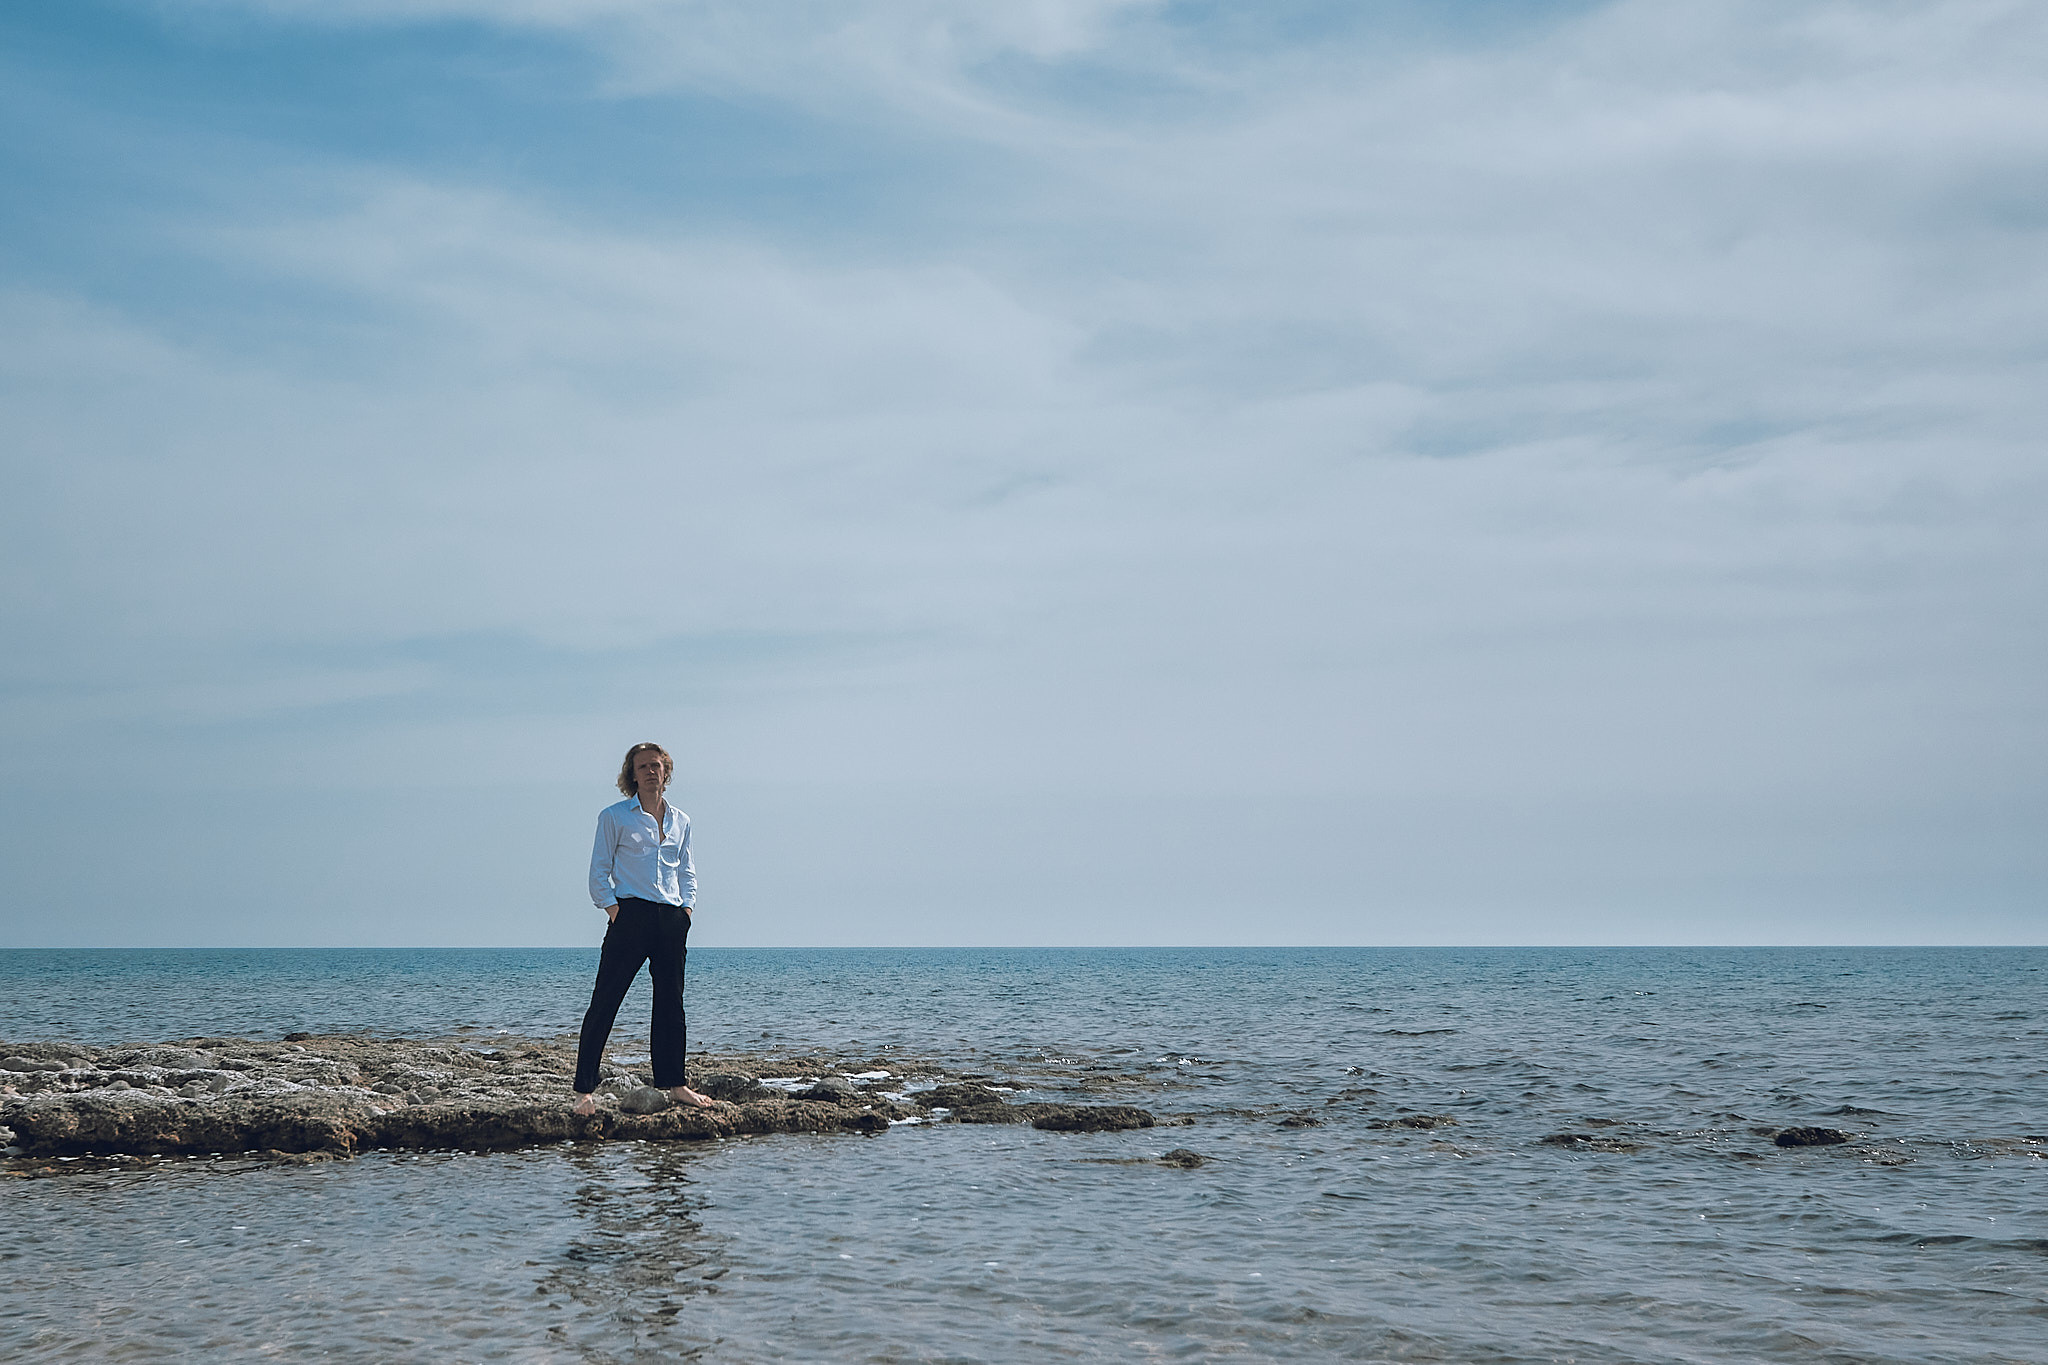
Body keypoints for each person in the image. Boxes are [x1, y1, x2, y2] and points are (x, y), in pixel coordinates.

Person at [572, 742, 716, 1115]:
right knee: (605, 1001)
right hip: (630, 916)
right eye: (643, 766)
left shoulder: (682, 820)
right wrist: (616, 913)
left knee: (671, 1005)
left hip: (671, 919)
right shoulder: (615, 816)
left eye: (657, 765)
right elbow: (597, 873)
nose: (651, 771)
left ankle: (674, 1083)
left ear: (666, 772)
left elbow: (687, 871)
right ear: (632, 774)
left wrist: (686, 911)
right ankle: (583, 1092)